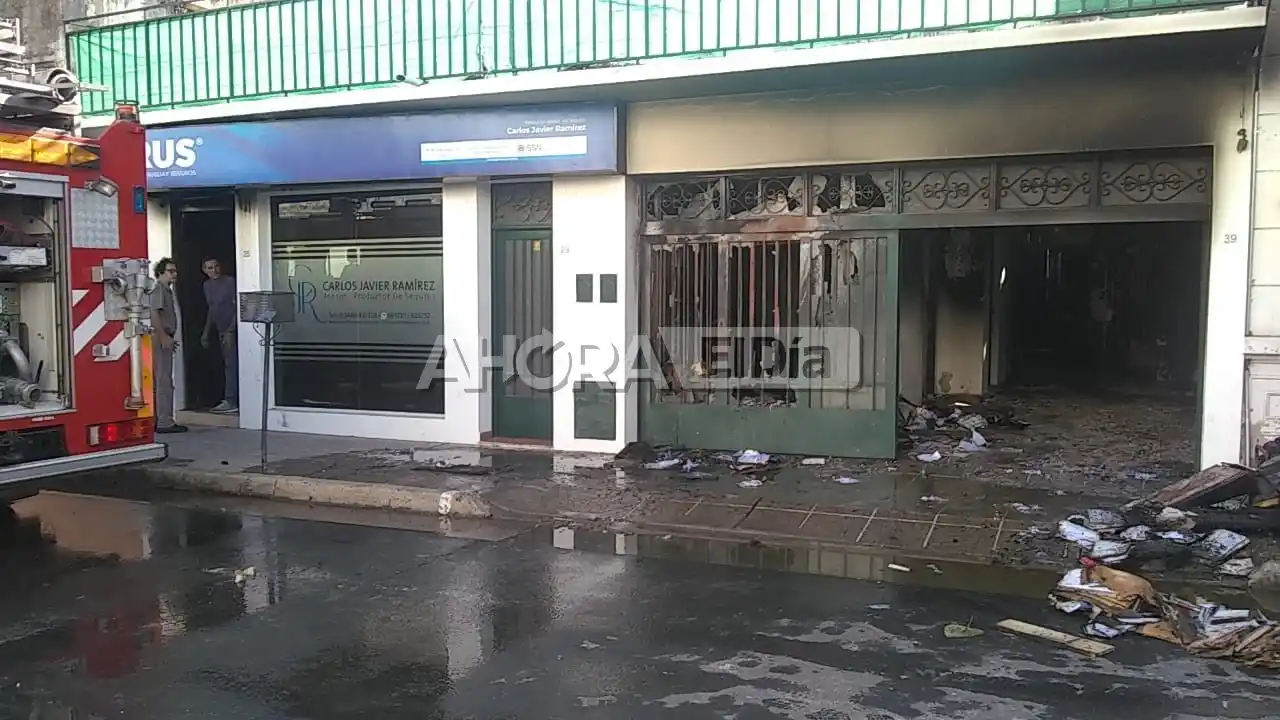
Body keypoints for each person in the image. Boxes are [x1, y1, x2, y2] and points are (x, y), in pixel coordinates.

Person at [151, 258, 186, 434]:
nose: (174, 274)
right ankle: (164, 421)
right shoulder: (159, 290)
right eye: (170, 271)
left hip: (165, 335)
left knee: (164, 378)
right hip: (160, 336)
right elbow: (154, 313)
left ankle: (162, 418)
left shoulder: (167, 291)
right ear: (161, 273)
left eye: (175, 271)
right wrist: (164, 336)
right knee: (163, 380)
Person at [200, 257, 239, 414]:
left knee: (232, 364)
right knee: (226, 364)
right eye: (210, 268)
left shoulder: (230, 282)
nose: (214, 270)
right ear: (204, 271)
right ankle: (229, 399)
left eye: (216, 266)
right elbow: (212, 309)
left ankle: (232, 400)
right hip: (219, 329)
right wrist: (206, 332)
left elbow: (238, 306)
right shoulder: (207, 285)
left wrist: (231, 330)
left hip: (234, 329)